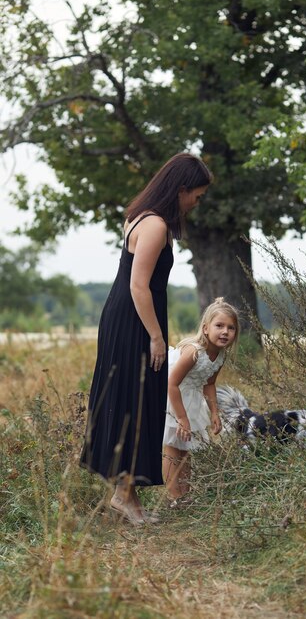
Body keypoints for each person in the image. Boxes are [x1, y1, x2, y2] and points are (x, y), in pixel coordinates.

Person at [80, 152, 212, 525]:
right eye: (196, 196)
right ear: (181, 189)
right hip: (135, 320)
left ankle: (125, 496)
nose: (196, 204)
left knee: (131, 401)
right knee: (135, 402)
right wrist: (156, 336)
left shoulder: (139, 216)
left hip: (128, 316)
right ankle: (124, 497)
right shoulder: (153, 225)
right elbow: (139, 286)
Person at [162, 297, 240, 505]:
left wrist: (214, 412)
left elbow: (209, 384)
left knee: (186, 449)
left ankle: (184, 495)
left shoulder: (221, 356)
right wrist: (181, 418)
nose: (225, 332)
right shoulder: (194, 352)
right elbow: (172, 384)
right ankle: (174, 498)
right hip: (173, 397)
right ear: (206, 329)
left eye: (231, 328)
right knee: (172, 448)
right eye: (219, 326)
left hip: (192, 398)